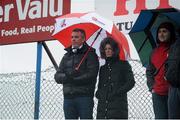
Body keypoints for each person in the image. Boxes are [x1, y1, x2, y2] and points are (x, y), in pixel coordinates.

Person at [54, 28, 99, 119]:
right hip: (68, 98)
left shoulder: (90, 54)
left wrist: (74, 79)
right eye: (72, 37)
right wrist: (67, 77)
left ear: (83, 39)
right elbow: (57, 76)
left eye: (76, 37)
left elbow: (92, 74)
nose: (73, 39)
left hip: (84, 97)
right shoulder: (66, 56)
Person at [95, 37, 135, 119]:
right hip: (102, 109)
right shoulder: (103, 68)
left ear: (114, 50)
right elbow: (100, 86)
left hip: (118, 107)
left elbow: (131, 82)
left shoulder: (123, 64)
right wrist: (99, 94)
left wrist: (117, 92)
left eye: (110, 48)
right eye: (105, 49)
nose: (108, 51)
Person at [146, 22, 176, 119]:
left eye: (164, 31)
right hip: (158, 94)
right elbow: (149, 71)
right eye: (159, 32)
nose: (161, 34)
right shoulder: (154, 52)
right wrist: (152, 87)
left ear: (171, 33)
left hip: (174, 93)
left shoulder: (176, 50)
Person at [165, 27, 180, 119]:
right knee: (173, 116)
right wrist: (167, 74)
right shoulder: (174, 45)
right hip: (173, 86)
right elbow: (168, 62)